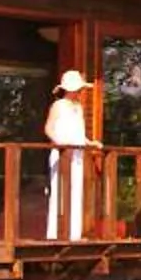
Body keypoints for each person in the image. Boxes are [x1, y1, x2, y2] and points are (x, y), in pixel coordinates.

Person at [44, 69, 91, 241]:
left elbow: (78, 132)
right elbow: (48, 128)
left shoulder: (78, 107)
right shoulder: (58, 105)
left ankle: (74, 233)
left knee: (76, 190)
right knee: (60, 190)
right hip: (62, 152)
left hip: (77, 153)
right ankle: (56, 232)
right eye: (78, 89)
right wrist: (59, 143)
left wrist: (89, 142)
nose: (80, 92)